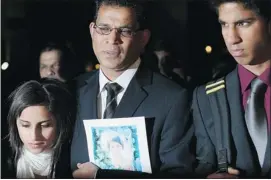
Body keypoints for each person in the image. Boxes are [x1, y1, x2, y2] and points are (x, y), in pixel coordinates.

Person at [70, 0, 194, 178]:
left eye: (125, 31)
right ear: (92, 31)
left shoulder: (171, 98)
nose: (112, 40)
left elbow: (179, 173)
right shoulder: (73, 90)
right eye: (104, 28)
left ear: (143, 38)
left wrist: (102, 176)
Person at [192, 0, 271, 178]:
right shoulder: (206, 97)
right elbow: (205, 162)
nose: (232, 38)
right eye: (224, 25)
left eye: (243, 23)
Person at [1, 78, 76, 178]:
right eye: (25, 125)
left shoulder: (74, 159)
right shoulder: (4, 157)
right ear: (15, 124)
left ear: (61, 124)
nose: (34, 136)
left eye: (45, 125)